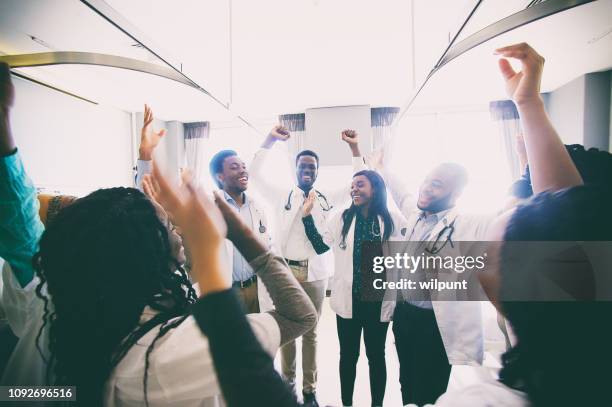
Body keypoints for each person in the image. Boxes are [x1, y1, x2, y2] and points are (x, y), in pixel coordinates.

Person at [0, 62, 317, 407]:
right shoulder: (172, 348)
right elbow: (298, 315)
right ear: (143, 252)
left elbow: (20, 225)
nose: (175, 226)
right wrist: (231, 237)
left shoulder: (53, 302)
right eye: (167, 225)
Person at [248, 125, 367, 406]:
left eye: (312, 167)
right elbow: (254, 174)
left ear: (316, 172)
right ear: (295, 169)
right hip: (286, 272)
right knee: (288, 330)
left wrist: (354, 148)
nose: (308, 170)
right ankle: (288, 385)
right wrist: (270, 140)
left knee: (311, 333)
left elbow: (359, 179)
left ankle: (309, 390)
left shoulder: (325, 198)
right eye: (303, 166)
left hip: (315, 274)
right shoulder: (280, 195)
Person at [301, 166, 407, 407]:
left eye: (360, 185)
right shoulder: (341, 218)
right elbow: (320, 246)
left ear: (375, 189)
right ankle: (347, 403)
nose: (354, 189)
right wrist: (307, 217)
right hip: (348, 301)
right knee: (347, 357)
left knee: (376, 357)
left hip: (377, 301)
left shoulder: (391, 219)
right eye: (352, 186)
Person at [208, 149, 273, 313]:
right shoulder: (208, 208)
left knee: (260, 335)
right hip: (228, 291)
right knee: (233, 337)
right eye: (235, 167)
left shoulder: (256, 207)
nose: (243, 170)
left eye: (243, 166)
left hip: (256, 288)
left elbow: (267, 246)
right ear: (220, 177)